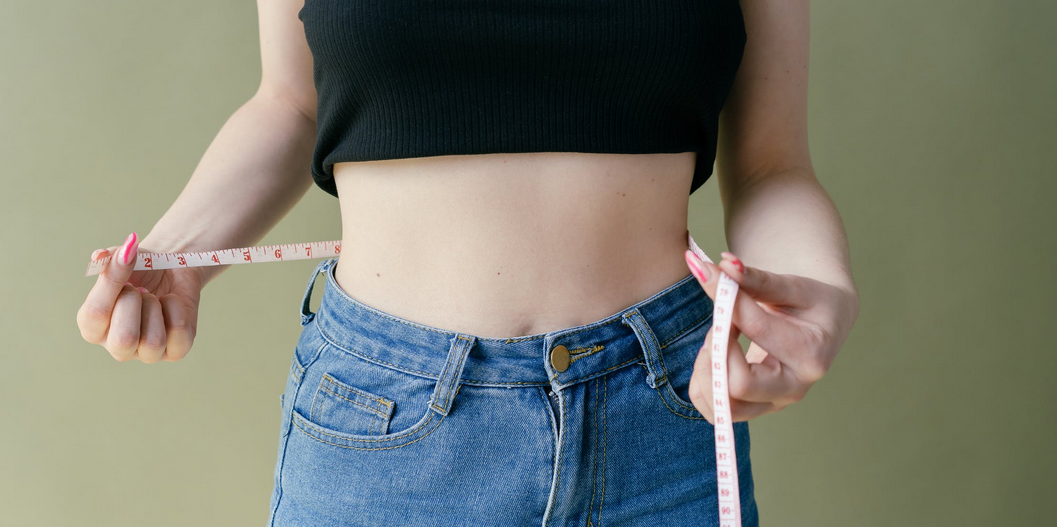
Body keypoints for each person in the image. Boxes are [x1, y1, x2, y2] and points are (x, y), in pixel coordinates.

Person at [76, 0, 860, 525]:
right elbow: (290, 103)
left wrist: (818, 291)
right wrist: (177, 254)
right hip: (382, 419)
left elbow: (770, 164)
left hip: (659, 419)